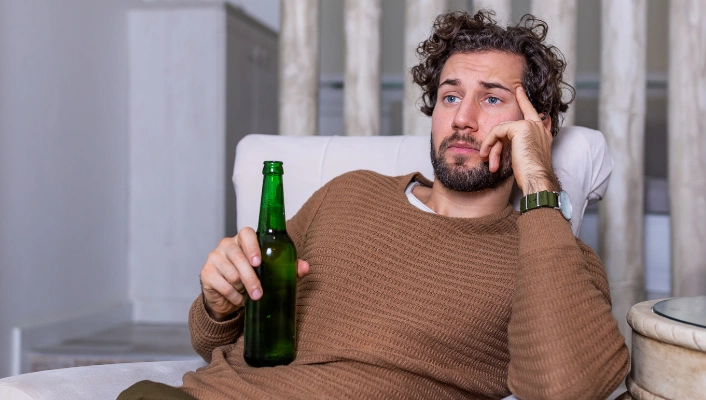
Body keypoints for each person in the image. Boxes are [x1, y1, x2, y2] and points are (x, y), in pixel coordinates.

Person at [119, 9, 628, 400]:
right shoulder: (349, 192)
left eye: (492, 98)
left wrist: (538, 180)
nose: (462, 118)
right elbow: (215, 341)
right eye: (450, 96)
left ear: (539, 127)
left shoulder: (556, 258)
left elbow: (566, 388)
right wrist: (219, 304)